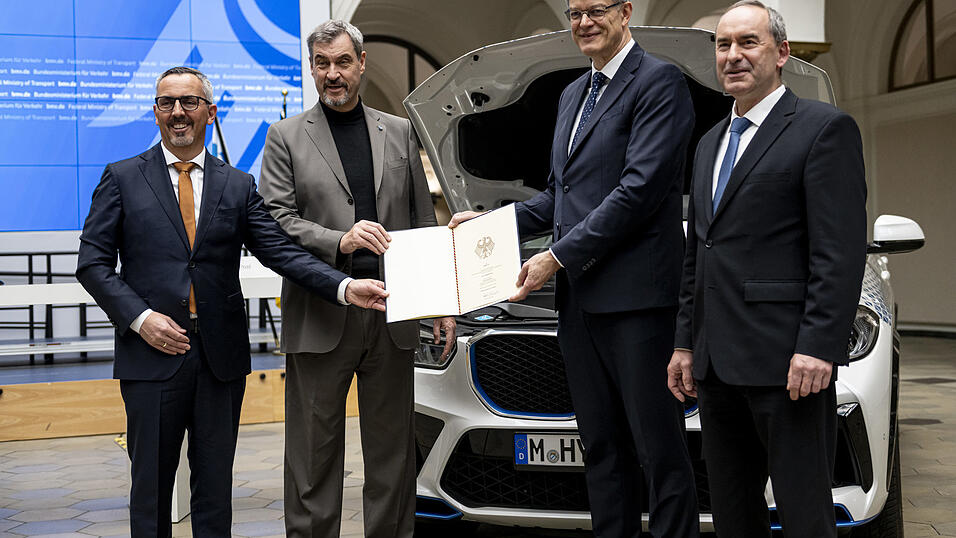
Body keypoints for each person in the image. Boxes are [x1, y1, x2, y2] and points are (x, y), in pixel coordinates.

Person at [75, 66, 389, 538]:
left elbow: (281, 252)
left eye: (189, 102)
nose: (178, 112)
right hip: (151, 357)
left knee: (215, 494)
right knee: (150, 493)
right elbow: (92, 264)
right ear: (155, 112)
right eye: (166, 103)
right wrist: (141, 319)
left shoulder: (237, 185)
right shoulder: (122, 178)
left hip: (219, 361)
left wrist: (344, 287)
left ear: (210, 112)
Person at [449, 1, 697, 536]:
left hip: (638, 304)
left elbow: (638, 191)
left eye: (595, 9)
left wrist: (555, 256)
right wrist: (489, 226)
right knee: (602, 449)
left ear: (625, 12)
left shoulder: (659, 82)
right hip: (579, 304)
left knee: (659, 452)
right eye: (574, 12)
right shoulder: (572, 94)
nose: (583, 22)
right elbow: (558, 198)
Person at [666, 2, 867, 536]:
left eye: (747, 42)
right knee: (733, 514)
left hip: (789, 364)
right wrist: (685, 343)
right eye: (723, 45)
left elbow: (839, 252)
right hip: (715, 368)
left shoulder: (823, 129)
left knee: (804, 515)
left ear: (781, 53)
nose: (733, 55)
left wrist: (819, 345)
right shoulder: (709, 143)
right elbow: (698, 254)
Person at [257, 20, 455, 538]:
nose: (333, 74)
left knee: (393, 456)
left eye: (343, 62)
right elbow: (274, 221)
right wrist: (339, 239)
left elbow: (421, 222)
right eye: (322, 63)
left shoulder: (400, 131)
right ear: (311, 68)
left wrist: (439, 301)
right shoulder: (285, 137)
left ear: (361, 63)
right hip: (321, 312)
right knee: (312, 458)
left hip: (393, 313)